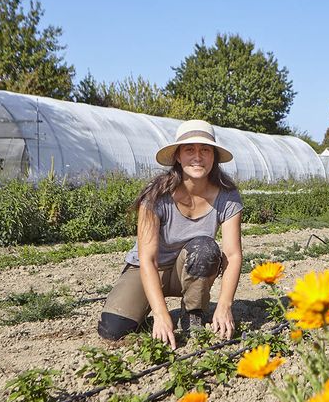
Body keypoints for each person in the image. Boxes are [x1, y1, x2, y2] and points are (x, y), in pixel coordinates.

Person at [97, 120, 243, 349]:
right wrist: (160, 314)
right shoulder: (156, 196)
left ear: (214, 156)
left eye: (205, 150)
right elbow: (148, 259)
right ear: (177, 156)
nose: (198, 156)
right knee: (113, 329)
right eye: (189, 150)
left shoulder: (228, 196)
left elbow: (233, 255)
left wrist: (225, 305)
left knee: (205, 248)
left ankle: (193, 312)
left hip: (187, 268)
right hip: (147, 270)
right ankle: (148, 306)